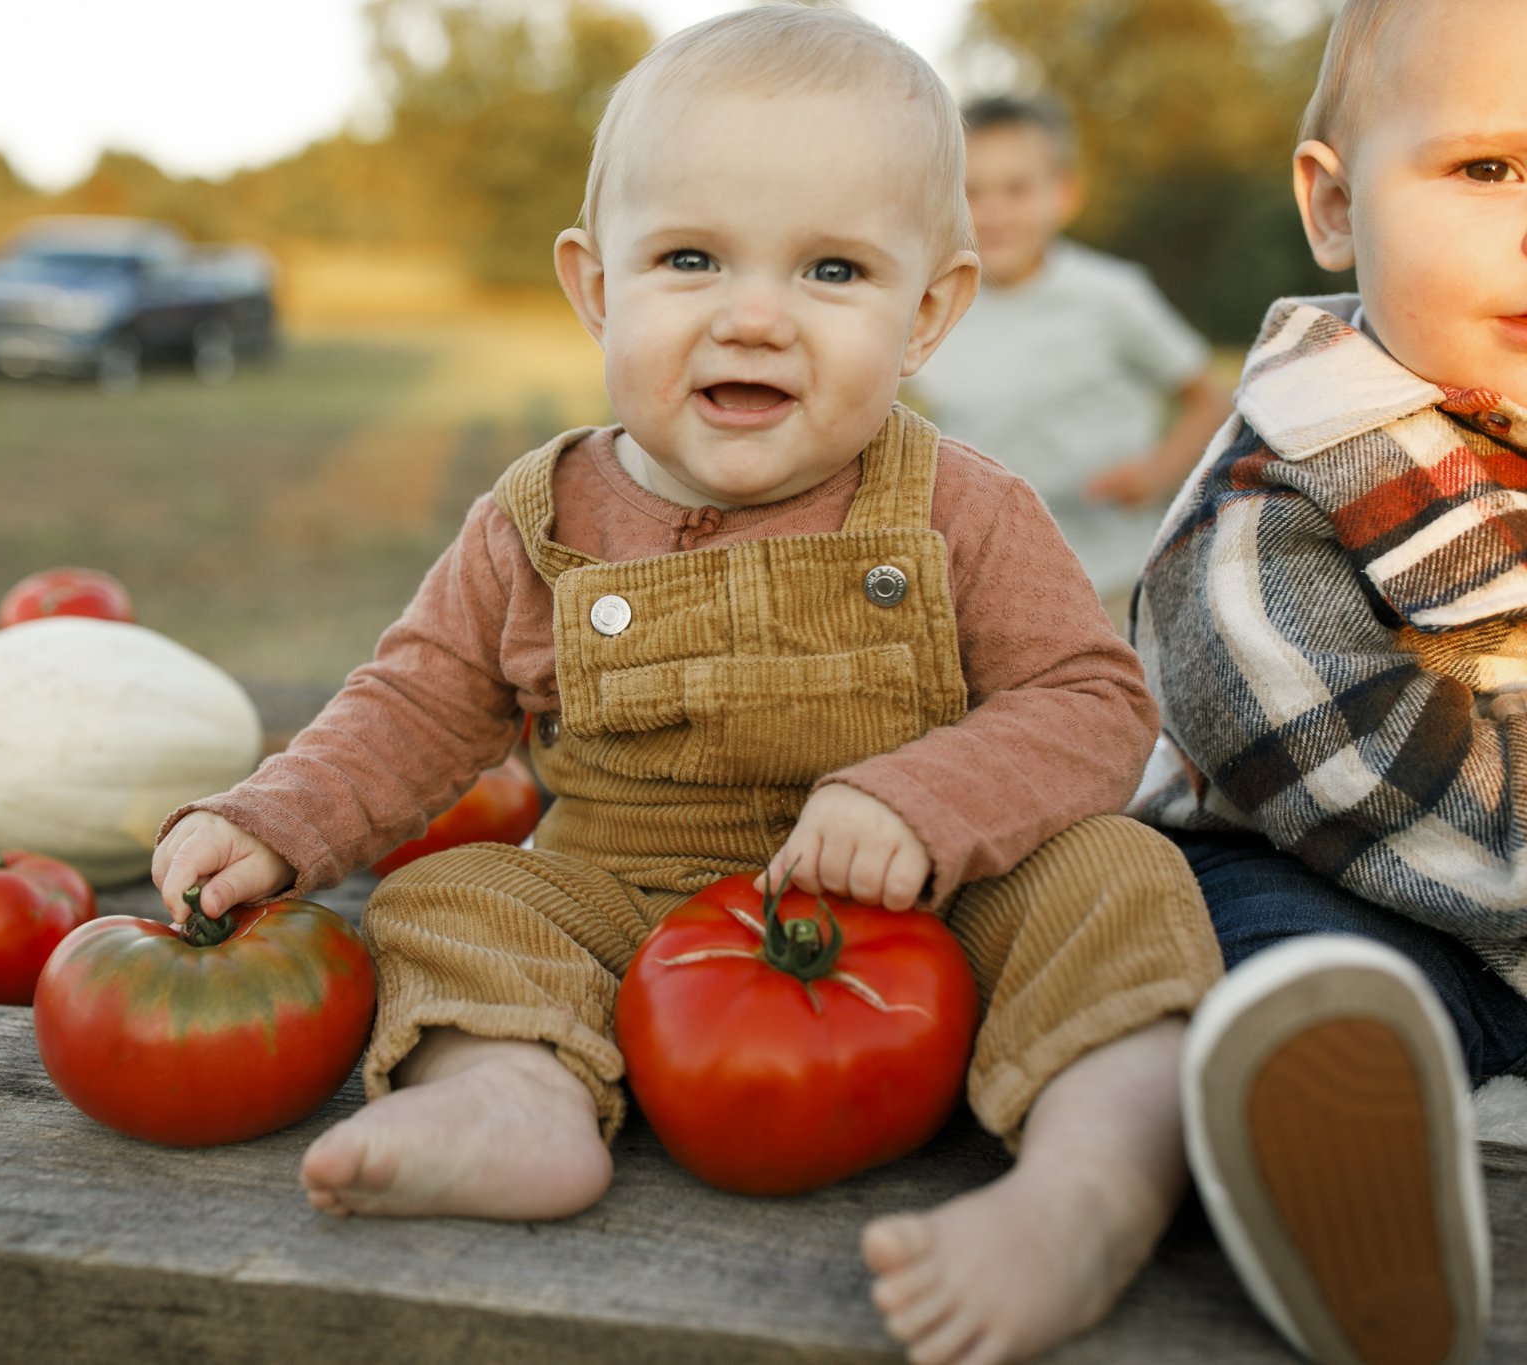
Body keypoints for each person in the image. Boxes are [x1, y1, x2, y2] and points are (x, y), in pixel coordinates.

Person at [155, 8, 1221, 1363]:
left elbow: (1094, 702)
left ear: (929, 312)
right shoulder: (537, 517)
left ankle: (1091, 1184)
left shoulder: (961, 505)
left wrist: (925, 800)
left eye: (833, 268)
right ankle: (517, 1096)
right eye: (691, 258)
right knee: (451, 896)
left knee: (1119, 881)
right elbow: (416, 700)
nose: (755, 315)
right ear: (596, 285)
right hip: (624, 903)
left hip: (931, 905)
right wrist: (275, 818)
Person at [1132, 0, 1525, 1360]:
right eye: (1491, 169)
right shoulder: (1289, 479)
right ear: (1338, 204)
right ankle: (1351, 1176)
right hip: (1326, 862)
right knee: (1288, 975)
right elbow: (1340, 756)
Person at [906, 94, 1231, 629]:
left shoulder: (1111, 295)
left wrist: (1154, 474)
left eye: (1016, 189)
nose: (993, 212)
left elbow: (1207, 399)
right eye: (972, 193)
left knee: (1111, 710)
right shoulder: (933, 303)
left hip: (1112, 579)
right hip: (982, 584)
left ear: (1064, 194)